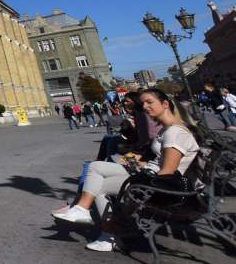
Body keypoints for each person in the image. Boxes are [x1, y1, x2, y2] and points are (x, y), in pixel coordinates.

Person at [53, 89, 201, 252]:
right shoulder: (169, 129)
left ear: (165, 104)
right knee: (95, 168)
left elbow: (167, 171)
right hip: (150, 173)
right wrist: (140, 163)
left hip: (160, 185)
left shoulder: (175, 132)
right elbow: (160, 160)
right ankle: (85, 212)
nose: (144, 106)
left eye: (149, 102)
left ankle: (105, 232)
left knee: (98, 183)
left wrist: (140, 177)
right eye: (143, 103)